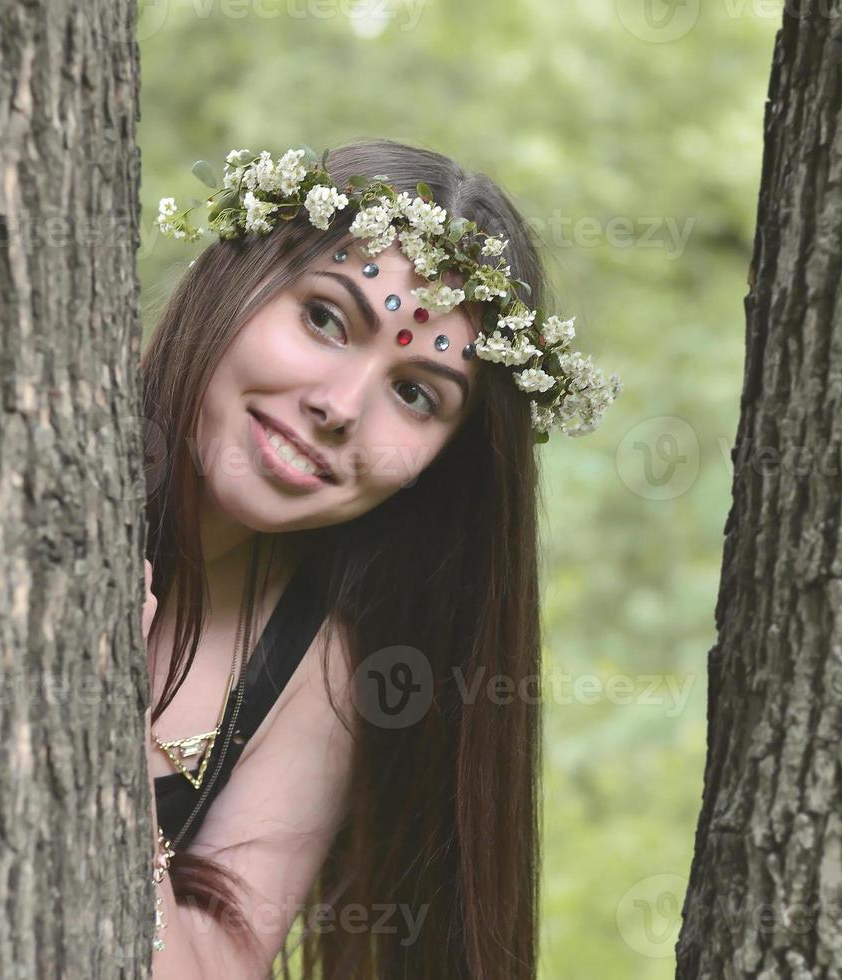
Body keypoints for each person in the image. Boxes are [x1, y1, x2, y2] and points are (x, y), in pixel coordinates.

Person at [136, 138, 620, 979]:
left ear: (441, 468)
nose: (338, 407)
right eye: (326, 318)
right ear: (233, 281)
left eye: (415, 394)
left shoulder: (320, 672)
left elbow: (210, 967)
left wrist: (101, 730)